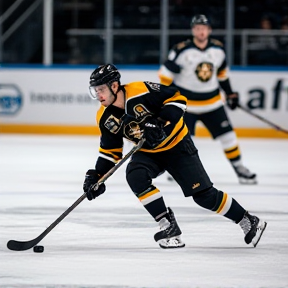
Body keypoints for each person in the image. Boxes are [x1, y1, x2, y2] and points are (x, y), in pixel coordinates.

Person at [83, 63, 267, 249]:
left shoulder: (141, 90)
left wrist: (160, 121)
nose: (98, 95)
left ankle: (248, 220)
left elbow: (177, 98)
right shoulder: (104, 117)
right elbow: (110, 152)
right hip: (149, 153)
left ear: (114, 86)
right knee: (135, 175)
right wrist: (97, 176)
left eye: (101, 89)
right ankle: (168, 226)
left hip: (177, 145)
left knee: (204, 196)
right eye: (95, 91)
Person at [158, 14, 257, 184]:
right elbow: (164, 74)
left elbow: (222, 74)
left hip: (212, 103)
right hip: (186, 105)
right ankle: (176, 169)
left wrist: (230, 93)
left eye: (203, 28)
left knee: (228, 137)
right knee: (180, 139)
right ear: (193, 30)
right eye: (197, 28)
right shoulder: (181, 50)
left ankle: (240, 168)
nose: (201, 32)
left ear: (209, 30)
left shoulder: (218, 50)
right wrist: (167, 95)